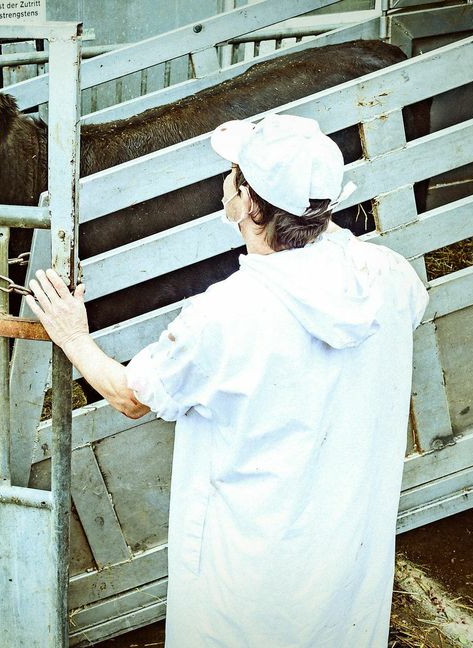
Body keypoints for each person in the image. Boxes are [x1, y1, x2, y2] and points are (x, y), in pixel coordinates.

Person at [27, 114, 429, 647]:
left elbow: (130, 395)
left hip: (250, 570)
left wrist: (73, 337)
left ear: (250, 205)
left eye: (235, 174)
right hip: (345, 550)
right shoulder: (388, 275)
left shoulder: (227, 315)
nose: (226, 183)